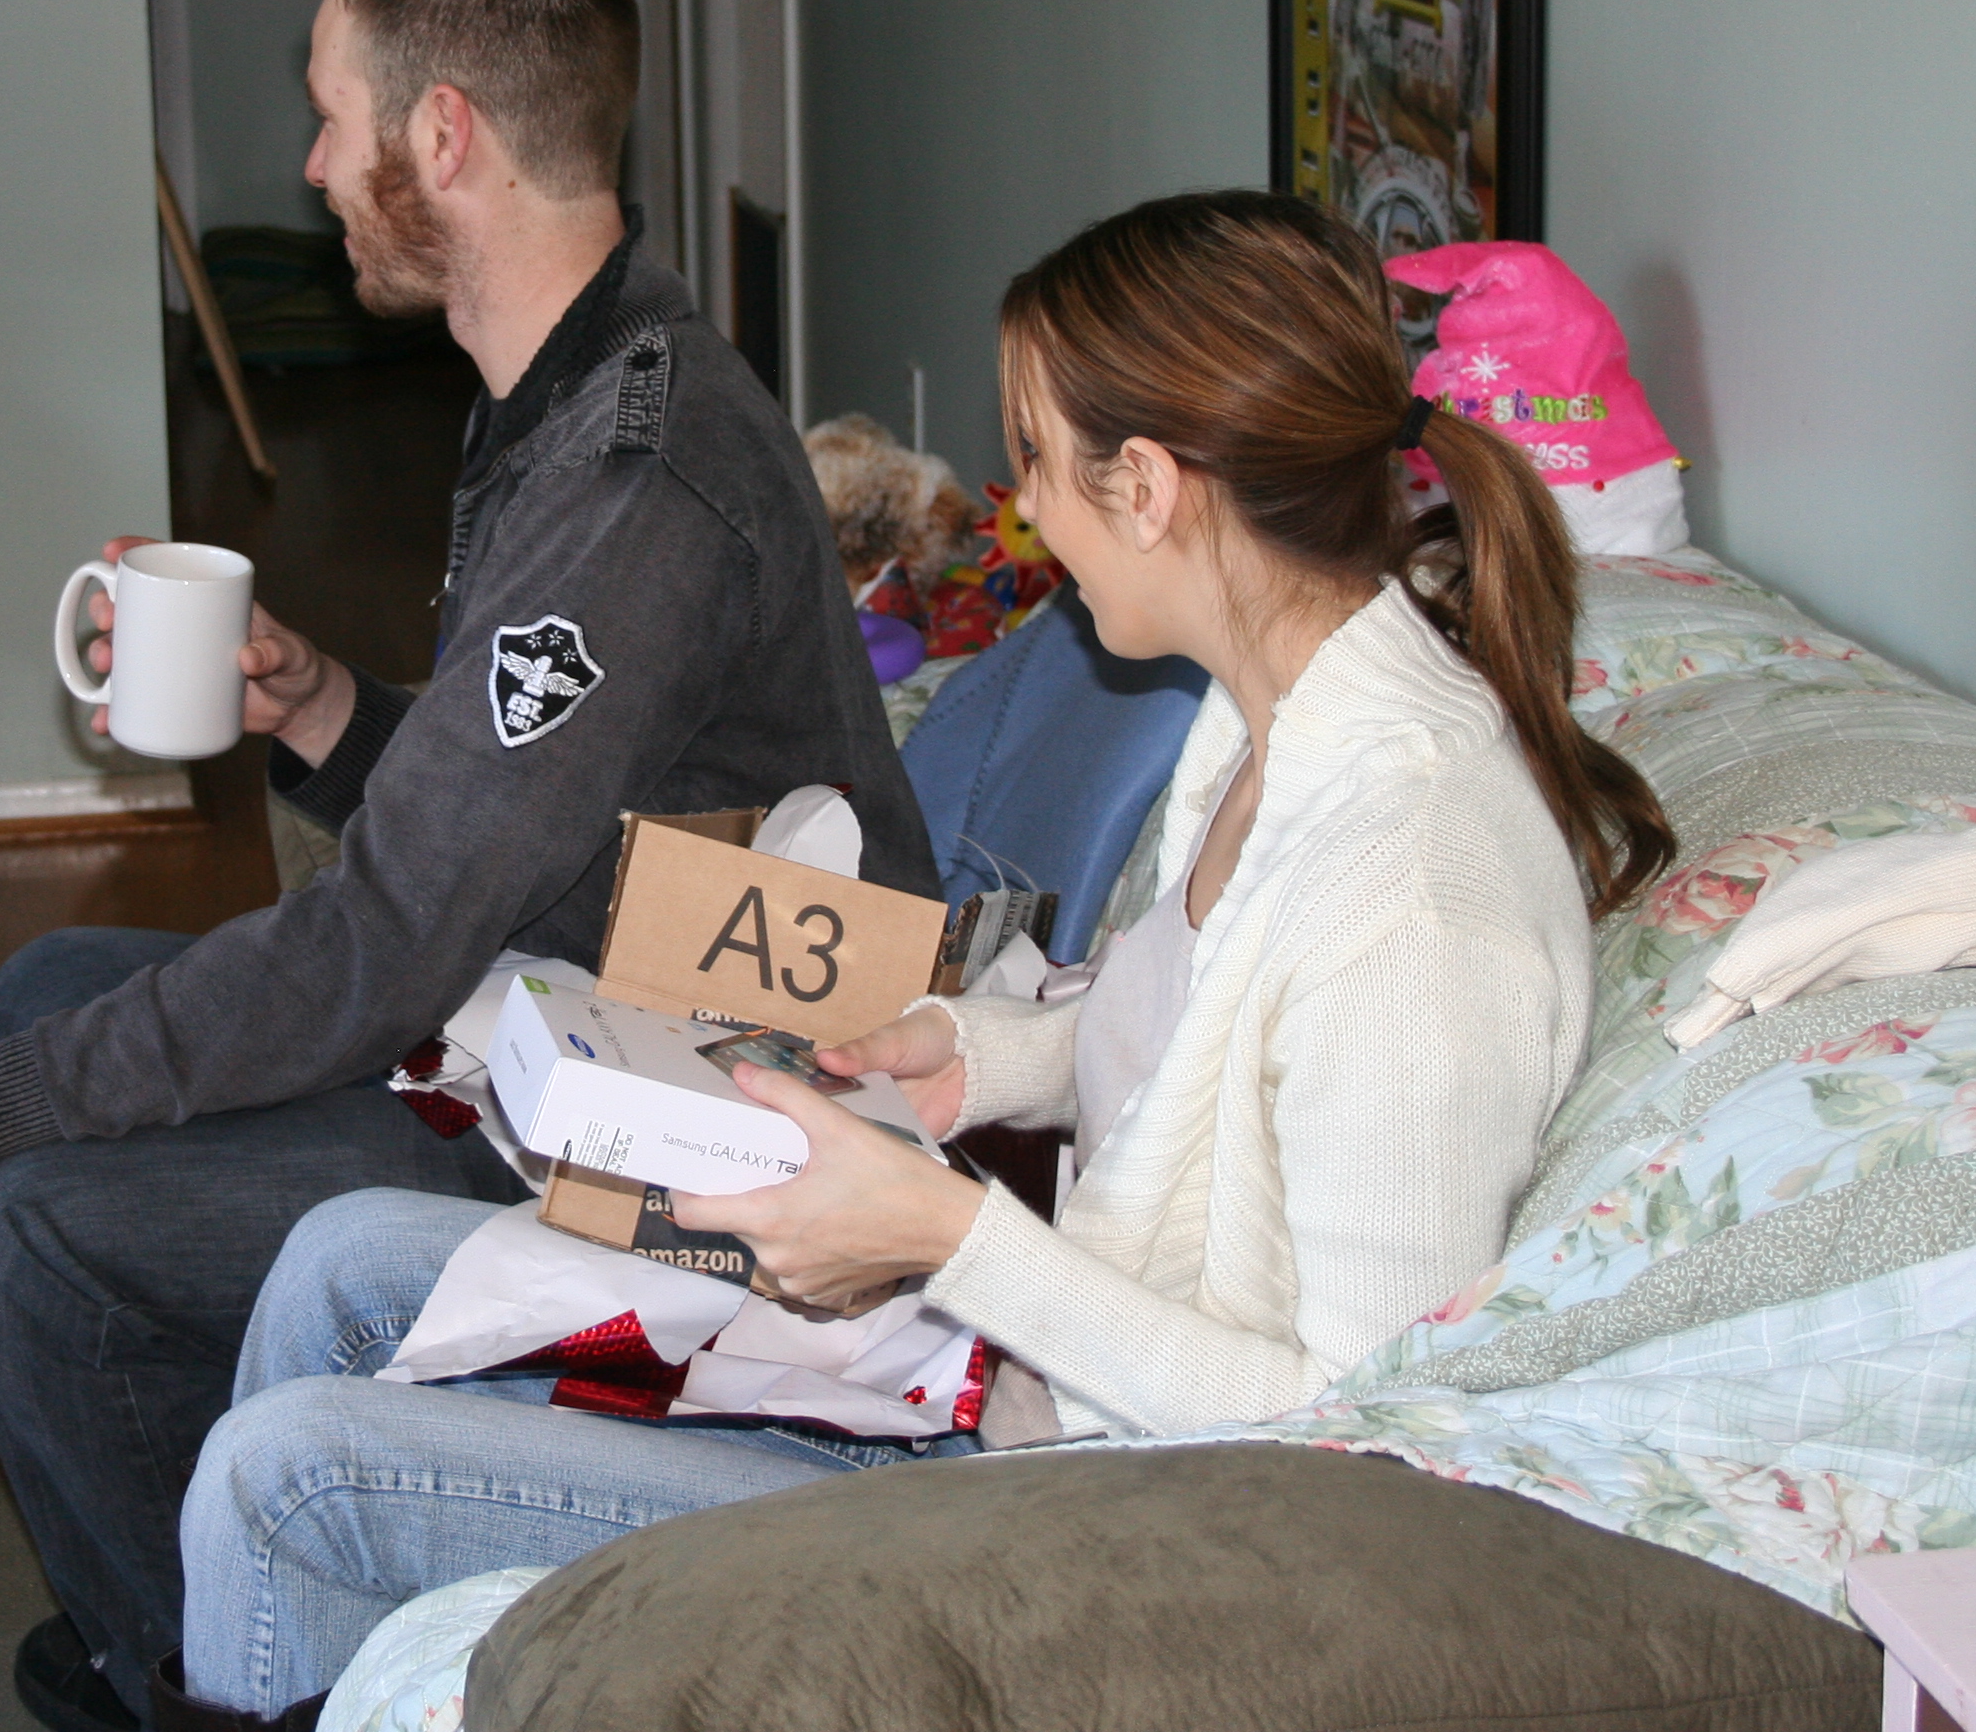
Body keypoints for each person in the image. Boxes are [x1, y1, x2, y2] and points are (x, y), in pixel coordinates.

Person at [0, 0, 931, 1730]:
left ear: (447, 136)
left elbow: (380, 941)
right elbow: (542, 809)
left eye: (336, 116)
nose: (315, 162)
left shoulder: (633, 483)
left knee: (29, 1215)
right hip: (574, 1001)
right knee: (50, 991)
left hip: (690, 1125)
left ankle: (211, 1682)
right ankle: (205, 1548)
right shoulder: (580, 379)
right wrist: (326, 705)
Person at [169, 190, 1677, 1724]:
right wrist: (974, 1058)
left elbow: (1365, 1435)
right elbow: (1215, 1032)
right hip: (1023, 1381)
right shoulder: (1278, 717)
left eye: (1038, 459)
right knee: (342, 1260)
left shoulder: (1414, 890)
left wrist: (951, 1240)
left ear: (1149, 487)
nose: (1028, 512)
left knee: (287, 1481)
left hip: (1099, 1530)